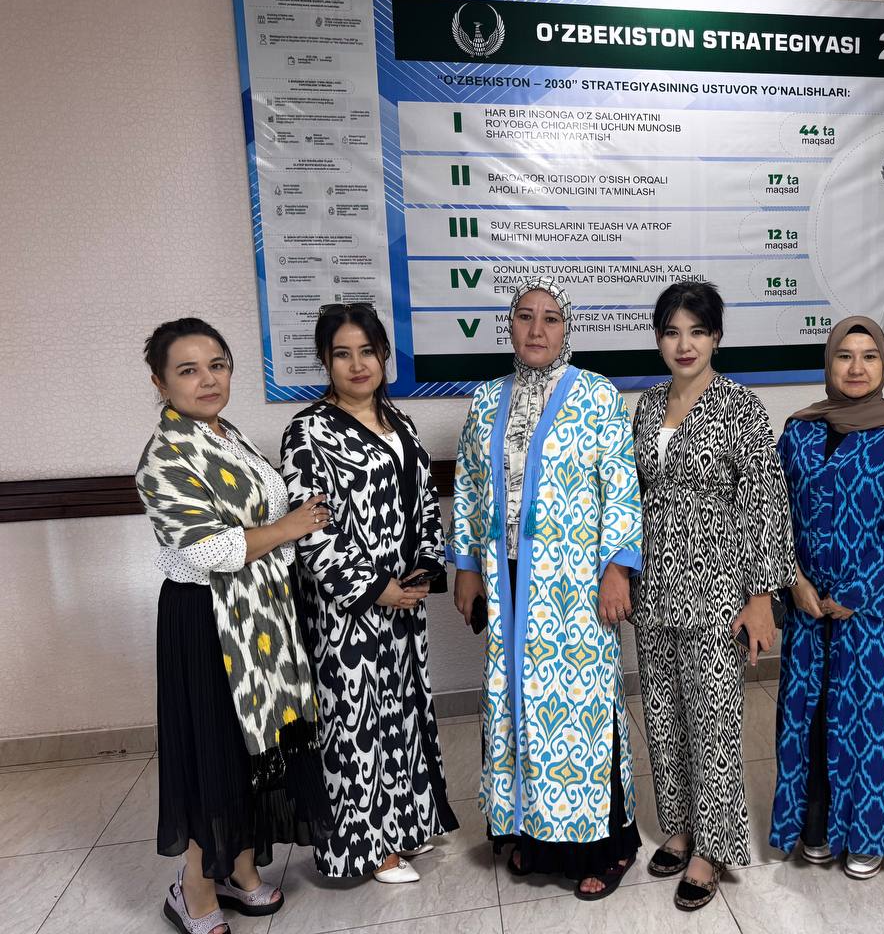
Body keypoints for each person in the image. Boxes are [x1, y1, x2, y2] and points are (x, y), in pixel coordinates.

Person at [135, 318, 332, 934]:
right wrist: (289, 528)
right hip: (207, 619)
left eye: (217, 365)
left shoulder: (229, 435)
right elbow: (209, 550)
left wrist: (291, 529)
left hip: (260, 614)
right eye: (188, 370)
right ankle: (193, 885)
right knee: (213, 752)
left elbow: (266, 517)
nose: (207, 380)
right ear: (159, 382)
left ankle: (240, 867)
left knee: (255, 747)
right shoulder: (163, 456)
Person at [449, 277, 643, 901]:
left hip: (576, 584)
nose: (537, 329)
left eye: (551, 318)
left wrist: (617, 569)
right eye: (525, 316)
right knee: (515, 707)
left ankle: (605, 845)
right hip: (506, 581)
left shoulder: (597, 394)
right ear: (509, 325)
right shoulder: (486, 399)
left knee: (581, 709)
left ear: (568, 328)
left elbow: (621, 486)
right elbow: (470, 486)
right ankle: (533, 837)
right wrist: (466, 566)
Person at [629, 282, 794, 910]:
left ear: (716, 338)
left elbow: (765, 503)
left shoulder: (740, 406)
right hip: (655, 585)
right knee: (662, 713)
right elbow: (634, 494)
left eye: (697, 331)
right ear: (659, 339)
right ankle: (677, 827)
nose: (685, 344)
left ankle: (713, 849)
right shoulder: (647, 406)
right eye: (672, 331)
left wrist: (761, 595)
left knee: (714, 724)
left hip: (718, 588)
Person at [280, 302, 458, 883]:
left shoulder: (398, 421)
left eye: (367, 351)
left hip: (403, 602)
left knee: (403, 716)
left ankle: (404, 826)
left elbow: (424, 503)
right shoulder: (308, 431)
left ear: (384, 355)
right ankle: (366, 848)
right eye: (342, 354)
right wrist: (376, 589)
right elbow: (313, 530)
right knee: (354, 725)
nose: (357, 364)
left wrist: (424, 571)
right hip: (348, 610)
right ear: (324, 361)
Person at [770, 316, 884, 880]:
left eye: (870, 356)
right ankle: (816, 829)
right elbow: (776, 514)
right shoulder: (799, 431)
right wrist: (794, 580)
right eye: (845, 355)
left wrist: (857, 592)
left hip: (879, 616)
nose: (857, 367)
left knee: (873, 724)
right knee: (814, 719)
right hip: (809, 608)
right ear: (829, 363)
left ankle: (870, 834)